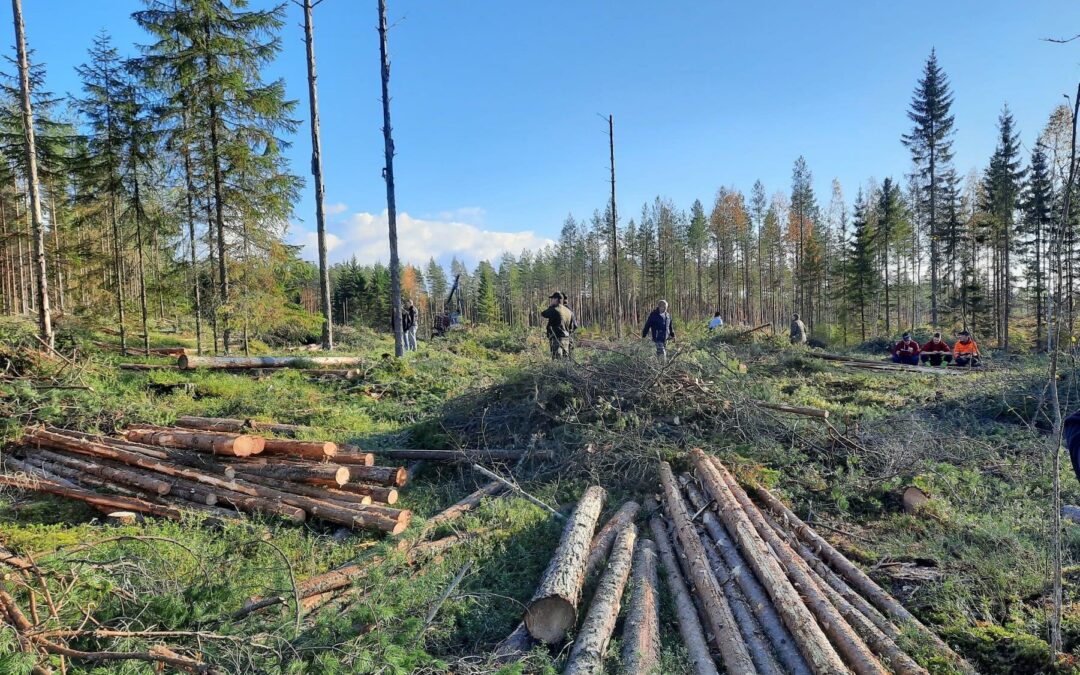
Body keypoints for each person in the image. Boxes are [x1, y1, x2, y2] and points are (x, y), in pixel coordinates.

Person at [540, 292, 574, 360]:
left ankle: (558, 371)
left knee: (557, 360)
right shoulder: (569, 311)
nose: (551, 300)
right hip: (566, 339)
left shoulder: (554, 309)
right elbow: (571, 327)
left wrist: (551, 306)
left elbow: (543, 314)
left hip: (556, 339)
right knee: (565, 360)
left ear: (556, 299)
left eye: (552, 299)